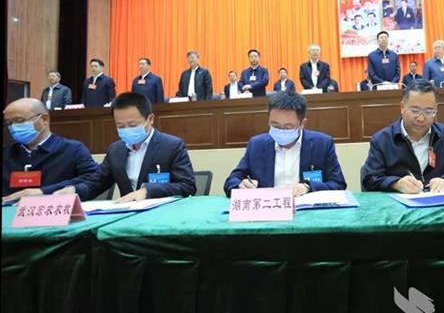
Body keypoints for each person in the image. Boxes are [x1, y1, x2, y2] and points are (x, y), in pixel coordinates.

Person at [54, 92, 196, 202]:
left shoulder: (172, 146)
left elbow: (187, 186)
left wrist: (148, 191)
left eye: (133, 125)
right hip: (126, 217)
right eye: (120, 126)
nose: (126, 130)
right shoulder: (115, 150)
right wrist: (75, 190)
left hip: (161, 216)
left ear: (150, 119)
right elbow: (96, 183)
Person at [223, 91, 347, 197]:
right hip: (269, 211)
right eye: (275, 125)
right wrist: (240, 185)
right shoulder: (257, 145)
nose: (281, 131)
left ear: (302, 123)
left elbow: (338, 184)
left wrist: (308, 187)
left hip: (306, 212)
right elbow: (232, 181)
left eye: (288, 127)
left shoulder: (322, 144)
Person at [362, 79, 444, 193]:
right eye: (415, 111)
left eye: (429, 111)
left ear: (436, 109)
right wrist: (396, 183)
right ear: (402, 107)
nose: (421, 118)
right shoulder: (382, 140)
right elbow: (370, 179)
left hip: (438, 201)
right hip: (399, 203)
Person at [2, 98, 98, 201]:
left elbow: (94, 178)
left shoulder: (73, 149)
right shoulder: (6, 153)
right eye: (9, 123)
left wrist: (45, 191)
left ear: (44, 119)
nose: (13, 127)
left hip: (55, 207)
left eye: (19, 121)